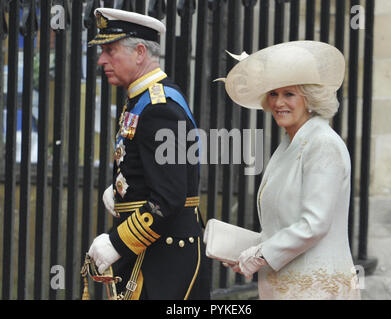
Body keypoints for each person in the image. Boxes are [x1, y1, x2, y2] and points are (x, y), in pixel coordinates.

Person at [219, 41, 361, 299]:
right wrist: (245, 251)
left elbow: (313, 224)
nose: (278, 103)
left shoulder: (323, 143)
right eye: (273, 94)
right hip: (286, 287)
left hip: (317, 289)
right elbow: (284, 223)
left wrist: (259, 256)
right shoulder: (289, 143)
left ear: (310, 98)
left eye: (289, 94)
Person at [86, 8, 210, 300]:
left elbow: (169, 196)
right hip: (155, 251)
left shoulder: (159, 107)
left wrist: (117, 242)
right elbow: (155, 170)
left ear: (139, 52)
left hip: (164, 258)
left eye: (110, 50)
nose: (102, 59)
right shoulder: (144, 98)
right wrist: (122, 189)